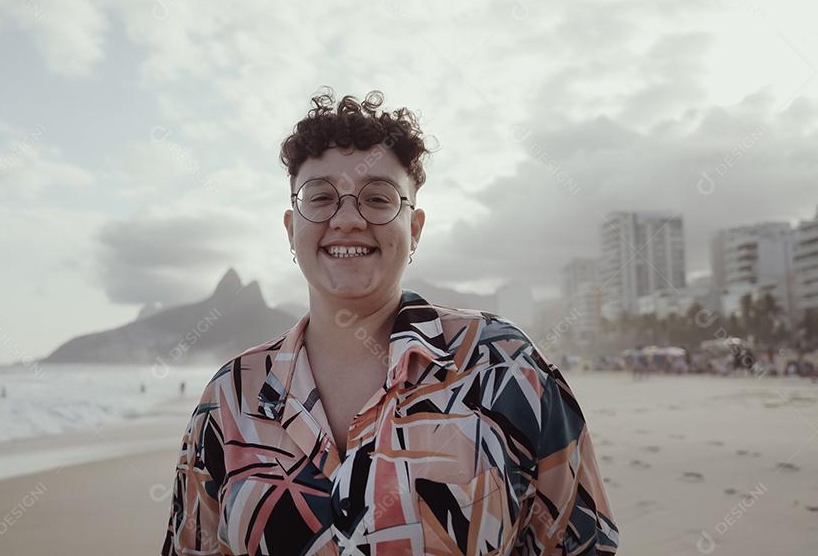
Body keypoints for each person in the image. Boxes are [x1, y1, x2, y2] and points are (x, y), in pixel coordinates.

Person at [161, 89, 619, 555]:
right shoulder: (231, 398)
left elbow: (582, 544)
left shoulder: (502, 367)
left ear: (414, 228)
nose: (347, 220)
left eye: (377, 199)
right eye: (320, 198)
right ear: (290, 227)